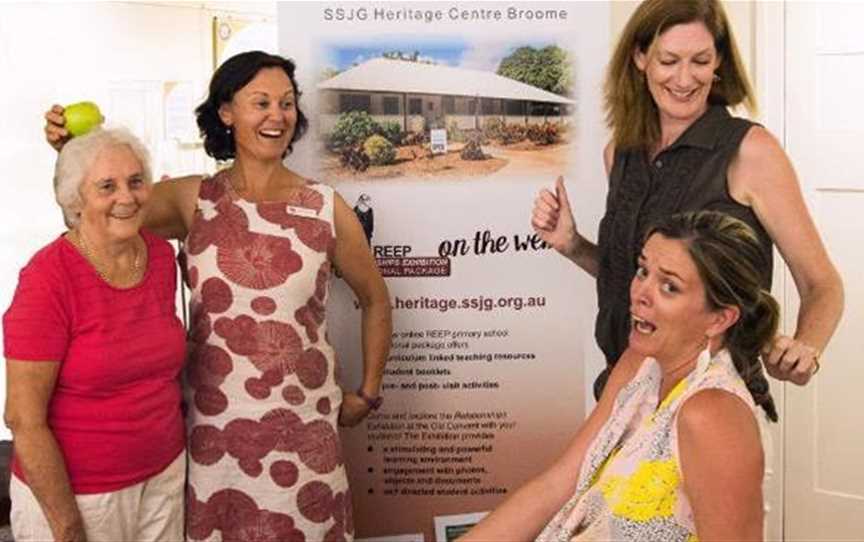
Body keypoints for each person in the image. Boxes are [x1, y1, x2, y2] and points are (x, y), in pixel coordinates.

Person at [45, 51, 392, 541]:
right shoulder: (195, 200)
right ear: (227, 112)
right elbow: (100, 214)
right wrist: (70, 152)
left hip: (304, 430)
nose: (278, 115)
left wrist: (368, 392)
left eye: (287, 103)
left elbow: (376, 298)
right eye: (261, 102)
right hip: (212, 431)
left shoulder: (324, 206)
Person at [532, 0, 843, 404]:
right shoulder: (620, 153)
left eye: (700, 60)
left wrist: (806, 348)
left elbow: (823, 283)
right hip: (621, 394)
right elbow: (645, 282)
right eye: (669, 60)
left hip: (707, 401)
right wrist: (573, 245)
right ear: (640, 58)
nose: (684, 78)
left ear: (719, 64)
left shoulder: (750, 151)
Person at [464, 210, 778, 541]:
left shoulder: (713, 413)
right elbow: (557, 484)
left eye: (669, 286)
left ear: (719, 319)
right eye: (643, 271)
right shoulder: (638, 363)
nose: (641, 292)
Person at [3, 127, 186, 541]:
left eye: (136, 182)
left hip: (165, 478)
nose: (127, 197)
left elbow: (155, 355)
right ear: (76, 200)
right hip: (81, 497)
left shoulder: (159, 256)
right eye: (107, 186)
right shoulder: (46, 279)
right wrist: (67, 528)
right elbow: (22, 419)